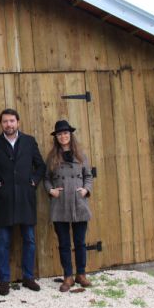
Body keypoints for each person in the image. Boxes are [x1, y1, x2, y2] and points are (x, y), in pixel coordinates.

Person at [0, 108, 46, 296]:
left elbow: (40, 166)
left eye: (12, 121)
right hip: (4, 200)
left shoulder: (29, 141)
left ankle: (28, 277)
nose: (9, 124)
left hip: (26, 198)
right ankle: (4, 280)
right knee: (3, 241)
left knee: (29, 240)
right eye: (5, 121)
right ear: (1, 124)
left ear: (18, 122)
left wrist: (33, 181)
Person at [44, 120, 93, 292]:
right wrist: (51, 191)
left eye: (65, 133)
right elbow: (46, 178)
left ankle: (81, 274)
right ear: (56, 137)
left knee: (80, 242)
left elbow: (88, 176)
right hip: (60, 204)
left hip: (79, 203)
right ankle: (68, 276)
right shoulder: (52, 157)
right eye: (59, 134)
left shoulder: (81, 155)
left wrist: (86, 190)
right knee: (64, 243)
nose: (63, 136)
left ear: (70, 135)